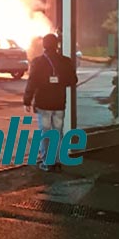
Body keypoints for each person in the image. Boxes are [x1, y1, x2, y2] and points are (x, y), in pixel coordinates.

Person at [23, 33, 78, 171]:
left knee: (45, 132)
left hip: (43, 104)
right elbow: (73, 81)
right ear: (57, 45)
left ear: (44, 46)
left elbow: (32, 82)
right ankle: (58, 161)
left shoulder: (37, 62)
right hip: (59, 103)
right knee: (58, 132)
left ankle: (48, 161)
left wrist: (27, 100)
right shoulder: (66, 61)